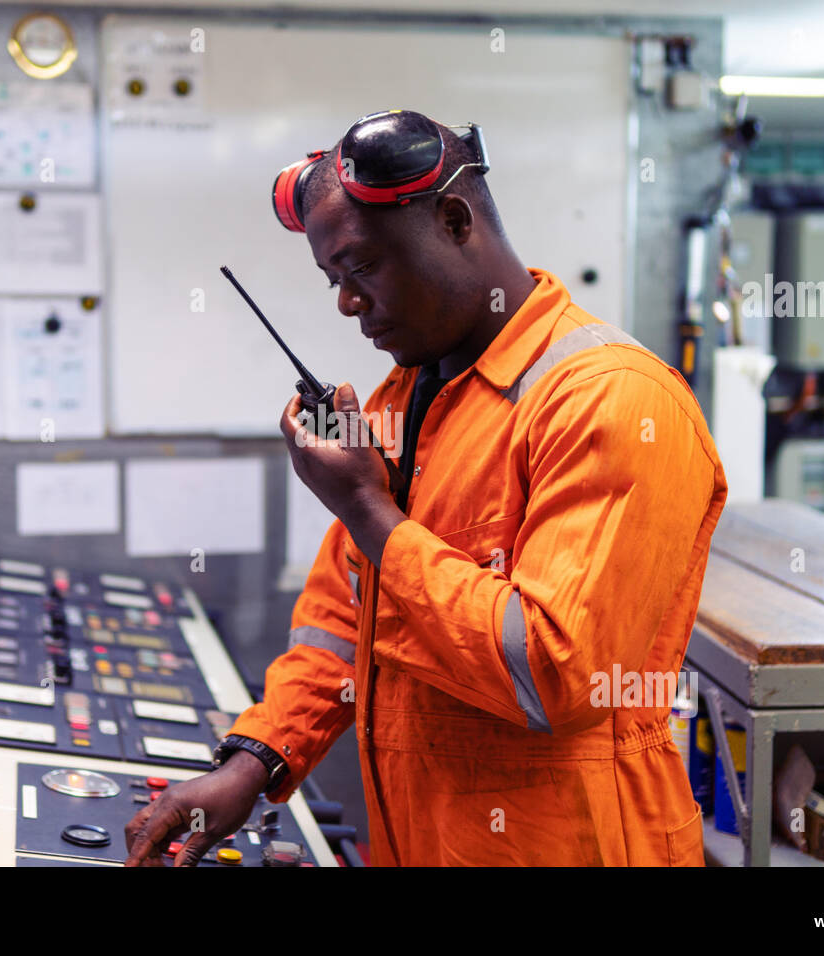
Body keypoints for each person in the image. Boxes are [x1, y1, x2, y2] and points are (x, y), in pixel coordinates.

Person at [125, 109, 727, 866]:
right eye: (334, 280)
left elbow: (551, 675)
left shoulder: (612, 401)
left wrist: (369, 509)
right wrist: (256, 760)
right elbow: (347, 623)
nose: (346, 302)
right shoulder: (403, 400)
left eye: (363, 268)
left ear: (452, 219)